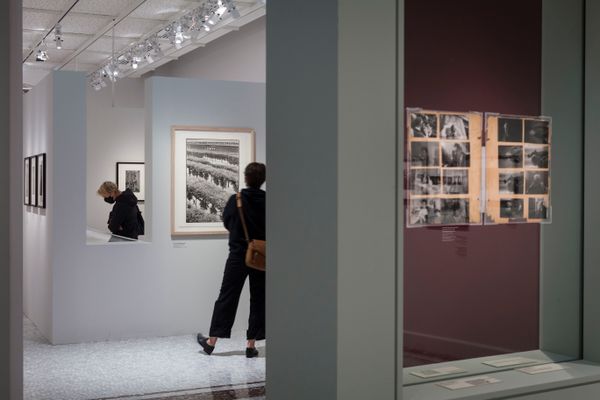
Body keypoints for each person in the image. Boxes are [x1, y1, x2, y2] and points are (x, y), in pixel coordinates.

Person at [197, 162, 266, 358]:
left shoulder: (236, 200)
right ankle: (251, 345)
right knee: (259, 299)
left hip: (238, 255)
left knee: (227, 296)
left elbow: (227, 222)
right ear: (263, 180)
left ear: (246, 178)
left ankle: (211, 342)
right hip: (261, 256)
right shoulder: (269, 201)